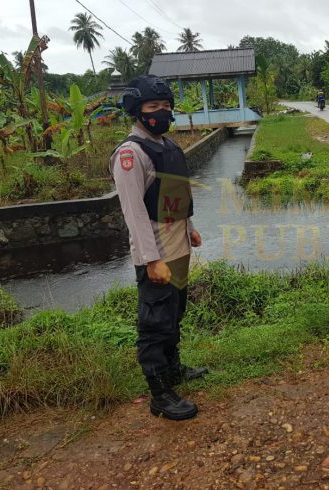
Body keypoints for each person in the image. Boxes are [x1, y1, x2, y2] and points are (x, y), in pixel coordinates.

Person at [110, 75, 208, 420]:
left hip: (179, 245)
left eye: (167, 107)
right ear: (138, 112)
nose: (162, 113)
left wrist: (190, 228)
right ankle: (159, 393)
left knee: (174, 314)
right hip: (157, 252)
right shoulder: (131, 154)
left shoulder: (168, 147)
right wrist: (151, 260)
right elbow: (134, 213)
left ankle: (174, 368)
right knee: (154, 323)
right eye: (154, 107)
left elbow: (176, 196)